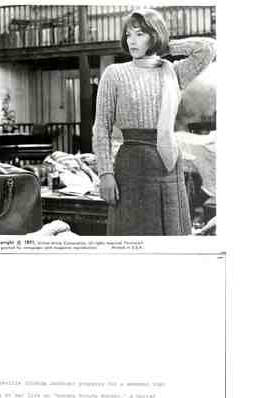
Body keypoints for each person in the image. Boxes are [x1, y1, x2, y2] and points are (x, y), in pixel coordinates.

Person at [93, 8, 215, 235]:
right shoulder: (114, 73)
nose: (132, 41)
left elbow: (207, 48)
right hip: (131, 165)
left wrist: (166, 47)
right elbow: (101, 127)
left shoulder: (172, 73)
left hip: (168, 164)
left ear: (154, 35)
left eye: (140, 34)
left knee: (171, 237)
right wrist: (105, 174)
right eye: (128, 35)